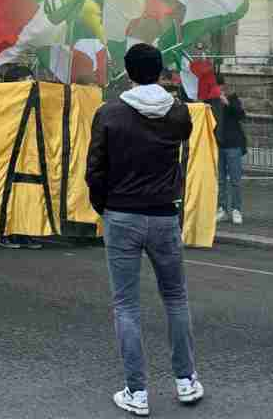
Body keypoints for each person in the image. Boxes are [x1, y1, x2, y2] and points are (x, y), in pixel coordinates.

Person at [86, 43, 202, 414]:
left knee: (126, 305)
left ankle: (136, 392)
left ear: (129, 71)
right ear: (160, 72)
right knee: (176, 298)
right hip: (164, 212)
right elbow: (182, 140)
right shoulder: (178, 113)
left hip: (122, 212)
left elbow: (96, 169)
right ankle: (186, 381)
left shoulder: (109, 113)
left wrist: (103, 207)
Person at [212, 77, 247, 226]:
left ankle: (236, 210)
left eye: (220, 86)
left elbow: (241, 115)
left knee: (235, 180)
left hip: (233, 145)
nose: (219, 89)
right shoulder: (212, 102)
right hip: (218, 144)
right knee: (220, 180)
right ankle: (222, 209)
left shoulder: (233, 99)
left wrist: (228, 104)